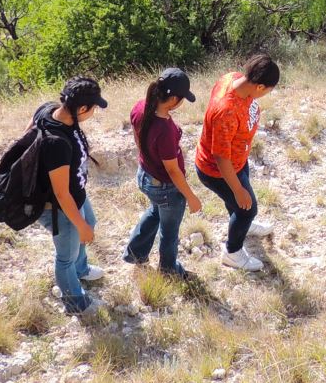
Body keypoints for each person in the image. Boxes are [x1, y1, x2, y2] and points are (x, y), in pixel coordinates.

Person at [195, 53, 280, 272]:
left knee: (240, 207)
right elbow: (221, 158)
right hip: (218, 171)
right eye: (269, 90)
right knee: (246, 208)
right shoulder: (227, 111)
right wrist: (237, 188)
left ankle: (243, 226)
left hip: (238, 161)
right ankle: (232, 253)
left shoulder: (232, 78)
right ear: (260, 87)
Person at [33, 76, 107, 314]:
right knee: (66, 255)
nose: (94, 112)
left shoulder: (50, 109)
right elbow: (61, 193)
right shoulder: (57, 143)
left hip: (76, 194)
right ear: (82, 108)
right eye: (94, 107)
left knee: (90, 222)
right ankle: (75, 302)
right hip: (57, 207)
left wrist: (86, 223)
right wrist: (81, 225)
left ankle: (81, 270)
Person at [123, 68, 201, 277]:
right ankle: (168, 270)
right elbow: (173, 171)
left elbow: (137, 139)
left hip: (145, 176)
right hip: (166, 187)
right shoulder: (164, 129)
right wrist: (191, 197)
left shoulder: (140, 107)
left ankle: (135, 253)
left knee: (155, 211)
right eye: (183, 98)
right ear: (173, 99)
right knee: (169, 231)